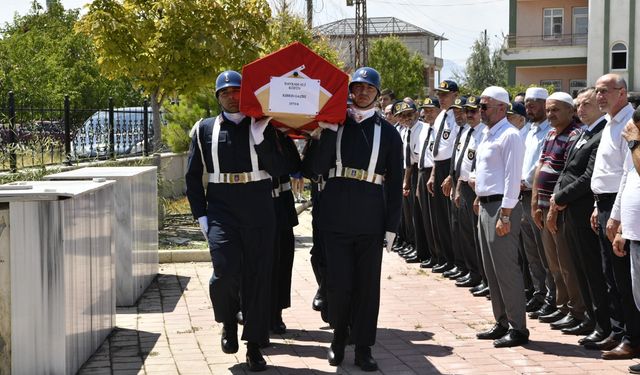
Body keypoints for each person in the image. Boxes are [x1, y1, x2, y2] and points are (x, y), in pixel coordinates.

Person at [185, 70, 287, 372]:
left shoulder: (265, 127)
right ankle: (228, 321)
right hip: (222, 210)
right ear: (218, 97)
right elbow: (192, 177)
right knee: (225, 273)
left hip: (258, 208)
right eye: (225, 92)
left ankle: (254, 346)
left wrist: (262, 139)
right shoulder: (204, 130)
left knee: (258, 278)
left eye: (236, 91)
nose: (231, 96)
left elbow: (283, 167)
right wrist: (200, 215)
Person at [306, 66, 403, 371]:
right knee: (338, 284)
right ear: (350, 91)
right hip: (335, 217)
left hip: (370, 219)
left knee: (367, 287)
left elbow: (395, 181)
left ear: (377, 93)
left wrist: (391, 226)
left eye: (368, 89)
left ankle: (363, 348)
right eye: (357, 87)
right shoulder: (335, 124)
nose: (362, 93)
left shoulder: (388, 133)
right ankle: (337, 341)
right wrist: (325, 134)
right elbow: (313, 169)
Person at [587, 73, 640, 359]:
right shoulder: (609, 123)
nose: (599, 96)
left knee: (625, 278)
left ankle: (632, 337)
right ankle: (619, 331)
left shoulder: (630, 123)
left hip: (622, 207)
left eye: (605, 91)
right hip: (607, 203)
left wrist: (615, 215)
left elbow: (628, 172)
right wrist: (598, 206)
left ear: (622, 93)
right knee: (611, 275)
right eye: (597, 91)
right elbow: (608, 172)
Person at [551, 87, 609, 340]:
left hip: (584, 211)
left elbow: (588, 177)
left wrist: (560, 197)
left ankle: (602, 324)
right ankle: (589, 318)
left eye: (585, 104)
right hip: (571, 212)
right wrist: (557, 195)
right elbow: (566, 170)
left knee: (593, 271)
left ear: (598, 104)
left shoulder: (602, 133)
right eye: (578, 105)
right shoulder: (583, 133)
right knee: (580, 269)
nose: (580, 109)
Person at [473, 86, 527, 348]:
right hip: (485, 205)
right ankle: (502, 321)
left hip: (502, 208)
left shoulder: (510, 136)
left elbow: (511, 178)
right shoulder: (485, 134)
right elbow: (485, 172)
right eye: (481, 106)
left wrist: (505, 214)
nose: (480, 110)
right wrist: (478, 197)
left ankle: (518, 328)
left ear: (502, 108)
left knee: (506, 269)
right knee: (491, 271)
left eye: (485, 106)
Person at [531, 92, 586, 331]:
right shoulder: (551, 134)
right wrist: (535, 203)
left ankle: (577, 311)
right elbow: (540, 167)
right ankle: (562, 306)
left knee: (567, 263)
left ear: (570, 111)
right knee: (553, 263)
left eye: (556, 110)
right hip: (543, 208)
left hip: (561, 209)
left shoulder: (576, 134)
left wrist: (553, 207)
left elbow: (568, 176)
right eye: (549, 109)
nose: (551, 114)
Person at [520, 87, 556, 320]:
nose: (529, 107)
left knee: (546, 253)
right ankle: (538, 292)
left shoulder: (550, 131)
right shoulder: (527, 130)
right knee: (531, 251)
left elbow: (540, 165)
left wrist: (524, 181)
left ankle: (552, 297)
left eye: (534, 103)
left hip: (539, 197)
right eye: (527, 103)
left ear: (545, 105)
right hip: (523, 196)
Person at [613, 108, 640, 374]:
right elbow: (627, 178)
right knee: (638, 297)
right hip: (633, 231)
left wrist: (634, 142)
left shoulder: (636, 145)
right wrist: (619, 223)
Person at [427, 80, 460, 273]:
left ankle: (456, 260)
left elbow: (456, 148)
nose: (441, 98)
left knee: (451, 218)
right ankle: (445, 258)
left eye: (445, 95)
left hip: (451, 167)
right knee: (440, 217)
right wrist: (432, 174)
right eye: (439, 95)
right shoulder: (440, 118)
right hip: (438, 167)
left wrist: (450, 175)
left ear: (455, 95)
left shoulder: (457, 117)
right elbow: (435, 151)